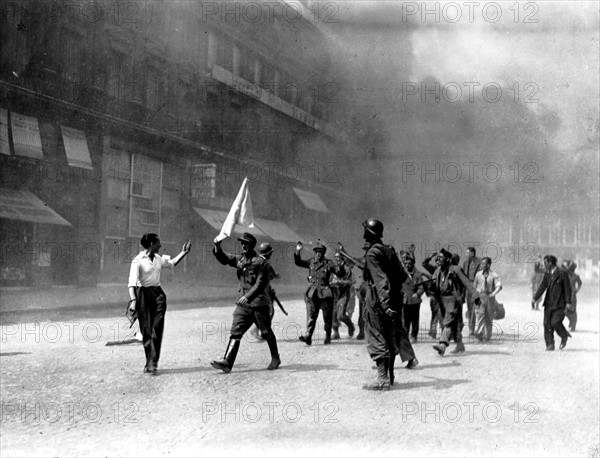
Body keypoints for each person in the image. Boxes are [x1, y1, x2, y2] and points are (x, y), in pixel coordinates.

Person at [211, 233, 280, 372]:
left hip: (258, 303)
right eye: (242, 243)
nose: (243, 245)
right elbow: (224, 259)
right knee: (236, 332)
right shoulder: (240, 260)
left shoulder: (261, 262)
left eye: (246, 243)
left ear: (252, 245)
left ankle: (275, 358)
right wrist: (217, 247)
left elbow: (260, 283)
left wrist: (248, 296)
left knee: (266, 332)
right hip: (243, 304)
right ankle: (227, 362)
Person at [360, 218, 416, 391]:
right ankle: (390, 377)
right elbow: (402, 277)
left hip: (377, 300)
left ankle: (382, 379)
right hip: (392, 300)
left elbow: (380, 280)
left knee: (376, 336)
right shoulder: (388, 251)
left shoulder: (372, 254)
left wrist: (384, 303)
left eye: (365, 231)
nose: (363, 234)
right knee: (389, 338)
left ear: (370, 234)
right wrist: (393, 300)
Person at [127, 233, 191, 374]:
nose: (160, 245)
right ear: (151, 244)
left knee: (157, 328)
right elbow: (131, 284)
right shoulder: (137, 261)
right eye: (158, 242)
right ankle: (149, 361)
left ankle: (153, 363)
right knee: (146, 331)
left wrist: (184, 252)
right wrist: (133, 301)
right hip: (143, 295)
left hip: (158, 295)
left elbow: (172, 263)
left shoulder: (158, 258)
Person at [430, 249, 480, 356]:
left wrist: (475, 296)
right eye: (437, 258)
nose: (438, 260)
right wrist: (432, 287)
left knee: (448, 322)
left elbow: (467, 283)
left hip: (453, 300)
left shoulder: (456, 269)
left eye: (441, 258)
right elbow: (433, 285)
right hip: (441, 301)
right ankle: (460, 344)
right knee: (453, 324)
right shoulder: (438, 271)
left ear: (448, 260)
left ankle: (442, 345)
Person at [295, 241, 345, 345]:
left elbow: (340, 273)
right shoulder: (311, 262)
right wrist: (297, 251)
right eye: (316, 252)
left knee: (327, 316)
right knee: (312, 314)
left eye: (320, 252)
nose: (318, 254)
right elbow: (298, 262)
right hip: (313, 292)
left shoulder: (328, 263)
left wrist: (341, 266)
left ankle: (327, 336)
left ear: (323, 253)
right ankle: (308, 336)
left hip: (325, 293)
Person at [532, 255, 572, 350]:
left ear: (551, 263)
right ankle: (550, 345)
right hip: (549, 303)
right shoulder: (547, 273)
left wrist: (568, 302)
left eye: (546, 263)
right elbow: (542, 286)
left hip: (560, 303)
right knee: (547, 324)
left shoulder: (562, 272)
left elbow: (567, 288)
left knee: (555, 322)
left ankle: (564, 336)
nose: (544, 265)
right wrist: (535, 298)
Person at [401, 252, 428, 343]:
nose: (407, 265)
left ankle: (414, 336)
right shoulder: (402, 273)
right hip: (405, 300)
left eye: (409, 264)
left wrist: (417, 294)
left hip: (415, 301)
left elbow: (422, 287)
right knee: (405, 319)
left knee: (415, 319)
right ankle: (405, 336)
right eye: (406, 264)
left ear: (413, 264)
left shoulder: (418, 274)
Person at [473, 257, 502, 342]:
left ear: (488, 265)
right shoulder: (478, 274)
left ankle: (487, 337)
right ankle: (479, 332)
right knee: (480, 314)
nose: (481, 265)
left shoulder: (494, 275)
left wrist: (493, 294)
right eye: (481, 263)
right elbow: (474, 286)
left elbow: (499, 286)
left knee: (489, 317)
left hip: (489, 297)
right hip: (479, 296)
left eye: (483, 264)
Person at [330, 252, 356, 339]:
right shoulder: (332, 269)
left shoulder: (347, 269)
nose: (336, 259)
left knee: (340, 315)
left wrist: (339, 282)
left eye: (338, 258)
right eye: (335, 257)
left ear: (342, 259)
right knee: (333, 315)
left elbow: (350, 282)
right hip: (334, 294)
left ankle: (350, 325)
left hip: (344, 294)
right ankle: (336, 332)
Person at [462, 247, 481, 336]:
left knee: (475, 308)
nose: (466, 255)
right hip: (468, 287)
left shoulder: (480, 262)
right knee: (469, 309)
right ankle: (471, 328)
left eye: (468, 253)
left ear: (473, 253)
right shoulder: (465, 263)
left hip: (476, 287)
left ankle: (478, 329)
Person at [562, 260, 582, 332]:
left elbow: (580, 283)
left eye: (570, 268)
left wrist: (577, 290)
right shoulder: (565, 275)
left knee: (572, 311)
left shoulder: (576, 276)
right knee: (564, 310)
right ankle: (571, 322)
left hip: (572, 295)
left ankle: (573, 326)